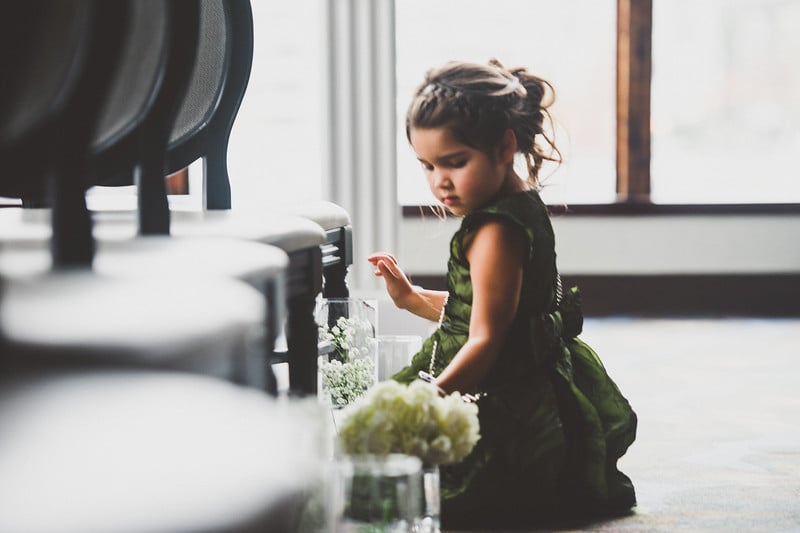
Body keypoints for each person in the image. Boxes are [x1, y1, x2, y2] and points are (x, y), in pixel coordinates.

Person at [368, 59, 637, 529]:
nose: (439, 182)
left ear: (504, 146)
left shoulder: (495, 229)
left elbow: (486, 339)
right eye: (427, 165)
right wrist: (412, 298)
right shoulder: (519, 204)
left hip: (499, 392)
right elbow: (494, 312)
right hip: (522, 373)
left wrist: (431, 402)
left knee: (422, 488)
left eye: (455, 162)